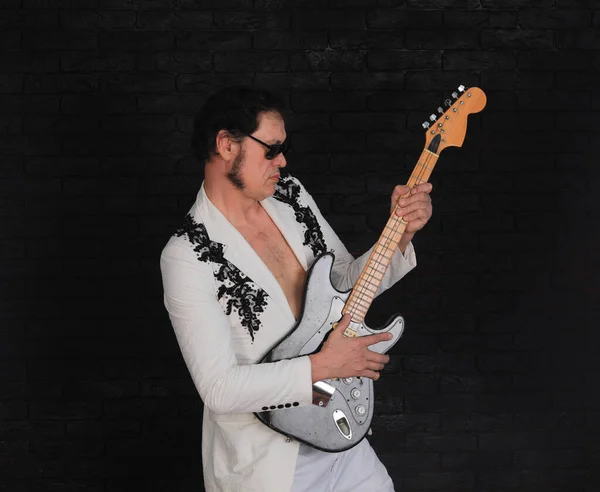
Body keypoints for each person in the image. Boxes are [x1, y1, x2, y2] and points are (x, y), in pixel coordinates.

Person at [160, 86, 433, 492]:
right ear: (226, 145)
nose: (282, 161)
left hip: (340, 431)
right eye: (271, 149)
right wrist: (326, 366)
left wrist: (401, 234)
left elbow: (343, 286)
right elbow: (219, 389)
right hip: (270, 467)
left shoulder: (290, 197)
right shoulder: (186, 256)